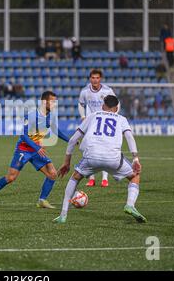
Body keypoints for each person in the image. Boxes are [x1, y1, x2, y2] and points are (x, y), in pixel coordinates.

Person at [53, 95, 146, 224]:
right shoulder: (121, 119)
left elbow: (73, 140)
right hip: (113, 158)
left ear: (103, 106)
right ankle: (130, 205)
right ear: (117, 107)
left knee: (74, 178)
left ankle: (63, 215)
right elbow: (129, 138)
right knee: (135, 176)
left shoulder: (93, 115)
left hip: (91, 157)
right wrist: (135, 158)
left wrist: (66, 162)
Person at [0, 91, 70, 210]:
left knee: (52, 174)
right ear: (44, 102)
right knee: (11, 177)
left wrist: (70, 140)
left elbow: (56, 131)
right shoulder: (32, 115)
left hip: (37, 151)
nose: (54, 104)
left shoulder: (50, 116)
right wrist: (37, 147)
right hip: (24, 149)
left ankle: (42, 200)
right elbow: (23, 135)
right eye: (52, 102)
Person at [78, 69, 118, 187]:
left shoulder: (107, 90)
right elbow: (80, 103)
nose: (95, 80)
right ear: (90, 79)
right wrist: (83, 116)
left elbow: (116, 103)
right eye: (93, 78)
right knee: (89, 149)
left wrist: (113, 115)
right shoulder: (85, 91)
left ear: (100, 79)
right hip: (91, 123)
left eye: (97, 78)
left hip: (104, 123)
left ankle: (105, 179)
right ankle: (91, 178)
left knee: (104, 148)